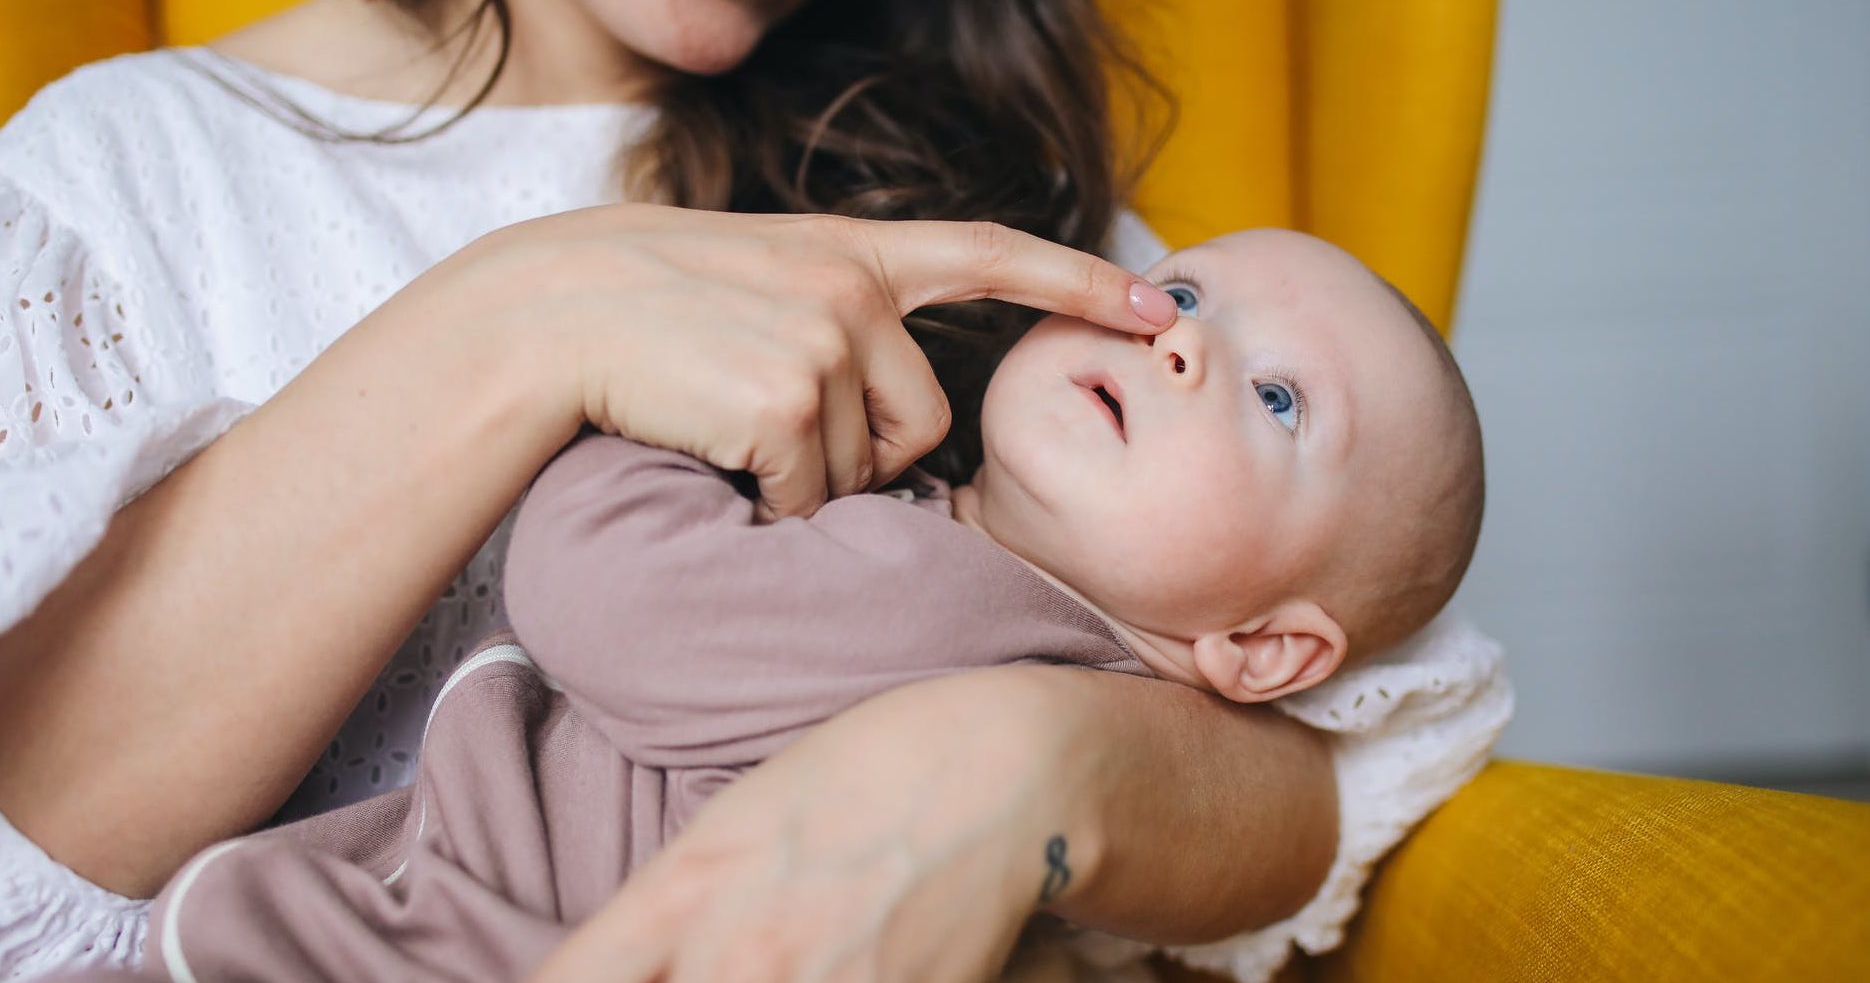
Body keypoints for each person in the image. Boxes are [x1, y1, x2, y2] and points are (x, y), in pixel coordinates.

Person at [0, 0, 1510, 981]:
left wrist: (1011, 765)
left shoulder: (987, 215)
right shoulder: (129, 184)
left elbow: (1332, 752)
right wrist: (520, 325)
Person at [81, 228, 1487, 983]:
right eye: (1180, 289)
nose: (1185, 341)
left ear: (1263, 648)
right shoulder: (990, 603)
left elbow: (617, 603)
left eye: (1279, 397)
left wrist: (627, 405)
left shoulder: (949, 598)